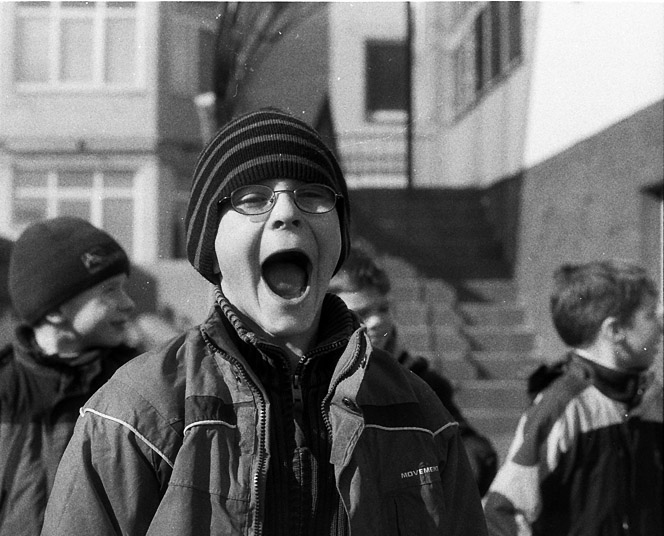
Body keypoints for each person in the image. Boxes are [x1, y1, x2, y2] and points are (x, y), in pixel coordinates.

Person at [42, 108, 487, 535]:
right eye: (253, 198)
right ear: (211, 244)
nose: (287, 212)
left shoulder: (417, 413)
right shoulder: (136, 414)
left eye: (312, 195)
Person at [0, 216, 139, 536]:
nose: (128, 303)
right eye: (110, 290)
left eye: (124, 287)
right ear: (55, 310)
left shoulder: (134, 386)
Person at [483, 259, 663, 536]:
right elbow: (502, 513)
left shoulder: (654, 401)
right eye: (650, 315)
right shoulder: (563, 407)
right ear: (615, 331)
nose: (661, 326)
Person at [327, 240, 498, 496]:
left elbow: (467, 448)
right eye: (361, 313)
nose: (377, 321)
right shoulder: (314, 383)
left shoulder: (419, 380)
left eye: (383, 308)